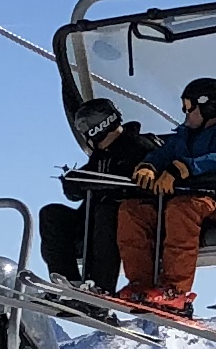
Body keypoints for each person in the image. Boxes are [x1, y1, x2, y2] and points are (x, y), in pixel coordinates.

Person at [107, 78, 216, 317]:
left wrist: (185, 168)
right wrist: (148, 166)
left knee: (181, 209)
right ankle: (141, 285)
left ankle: (175, 291)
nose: (186, 113)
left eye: (189, 107)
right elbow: (164, 152)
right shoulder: (186, 134)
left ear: (208, 107)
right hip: (183, 200)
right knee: (132, 210)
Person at [38, 94, 151, 291]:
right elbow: (80, 188)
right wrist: (74, 183)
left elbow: (148, 180)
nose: (83, 132)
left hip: (127, 218)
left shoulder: (139, 147)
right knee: (52, 215)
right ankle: (67, 281)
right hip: (93, 218)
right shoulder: (99, 157)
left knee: (105, 212)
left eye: (84, 126)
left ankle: (100, 287)